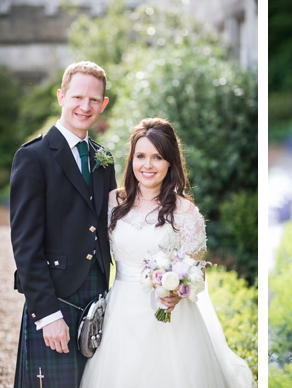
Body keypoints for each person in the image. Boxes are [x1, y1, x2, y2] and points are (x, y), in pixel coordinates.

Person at [79, 118, 255, 387]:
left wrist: (176, 293)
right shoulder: (114, 202)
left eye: (157, 157)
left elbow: (197, 273)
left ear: (170, 162)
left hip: (168, 315)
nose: (147, 165)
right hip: (121, 313)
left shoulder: (185, 212)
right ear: (132, 159)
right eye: (141, 156)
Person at [10, 61, 115, 387]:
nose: (85, 106)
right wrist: (48, 314)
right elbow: (25, 245)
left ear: (104, 104)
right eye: (77, 97)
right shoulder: (34, 156)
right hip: (57, 301)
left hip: (97, 299)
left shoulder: (103, 159)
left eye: (94, 100)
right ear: (61, 97)